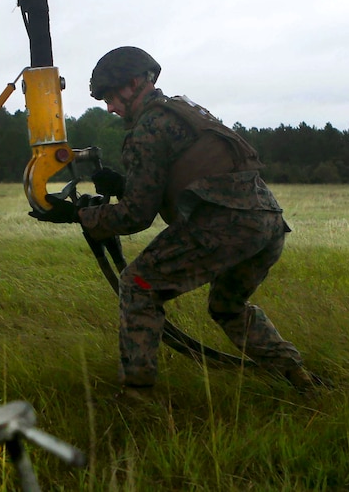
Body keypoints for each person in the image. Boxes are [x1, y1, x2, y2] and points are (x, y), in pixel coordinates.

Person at [32, 46, 316, 395]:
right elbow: (186, 180)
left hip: (222, 226)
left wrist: (78, 214)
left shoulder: (146, 129)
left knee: (138, 286)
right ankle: (297, 376)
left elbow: (137, 215)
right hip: (267, 224)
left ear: (135, 83)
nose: (110, 107)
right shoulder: (185, 110)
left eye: (111, 96)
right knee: (227, 306)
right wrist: (123, 185)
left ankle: (137, 395)